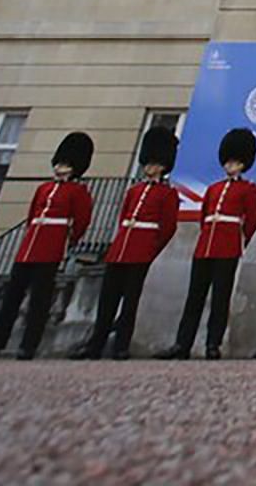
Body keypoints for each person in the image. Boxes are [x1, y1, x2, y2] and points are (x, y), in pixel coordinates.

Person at [0, 131, 95, 360]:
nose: (59, 168)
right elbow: (32, 217)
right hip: (29, 248)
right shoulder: (44, 189)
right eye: (59, 164)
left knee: (40, 301)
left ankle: (29, 346)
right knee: (10, 299)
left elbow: (81, 222)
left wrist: (67, 243)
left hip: (50, 248)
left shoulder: (78, 192)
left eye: (65, 165)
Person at [71, 126, 180, 360]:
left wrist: (151, 249)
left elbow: (168, 227)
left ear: (163, 166)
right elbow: (124, 219)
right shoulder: (135, 190)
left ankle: (121, 345)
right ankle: (96, 343)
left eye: (155, 164)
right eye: (148, 163)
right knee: (107, 301)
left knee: (130, 304)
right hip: (121, 249)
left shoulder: (167, 194)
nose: (150, 168)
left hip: (141, 250)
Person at [158, 127, 256, 360]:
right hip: (206, 246)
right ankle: (182, 343)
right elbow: (205, 216)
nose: (230, 166)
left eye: (235, 162)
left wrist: (239, 241)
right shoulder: (214, 189)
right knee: (194, 297)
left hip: (228, 246)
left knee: (220, 299)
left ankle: (213, 344)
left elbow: (251, 220)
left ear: (243, 164)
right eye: (229, 162)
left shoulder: (248, 190)